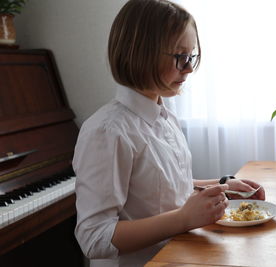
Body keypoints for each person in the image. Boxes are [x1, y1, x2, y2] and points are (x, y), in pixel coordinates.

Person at [72, 0, 266, 266]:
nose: (188, 69)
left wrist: (222, 185)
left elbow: (164, 187)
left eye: (191, 57)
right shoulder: (107, 132)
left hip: (176, 253)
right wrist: (184, 218)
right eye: (179, 57)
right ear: (141, 53)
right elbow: (93, 238)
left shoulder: (165, 114)